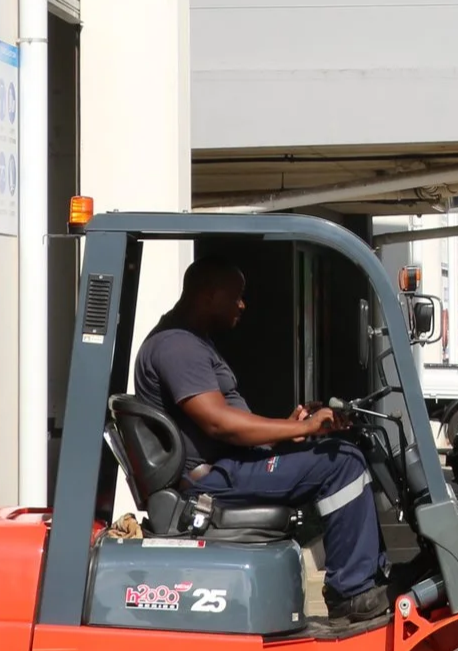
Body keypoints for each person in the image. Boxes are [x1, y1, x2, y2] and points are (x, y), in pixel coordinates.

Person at [134, 260, 390, 627]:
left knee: (338, 452)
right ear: (208, 295)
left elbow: (222, 426)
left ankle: (362, 578)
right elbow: (220, 423)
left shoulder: (189, 341)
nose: (242, 305)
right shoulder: (177, 347)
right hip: (212, 481)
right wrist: (296, 433)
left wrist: (290, 428)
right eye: (236, 297)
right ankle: (352, 591)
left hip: (228, 466)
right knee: (343, 462)